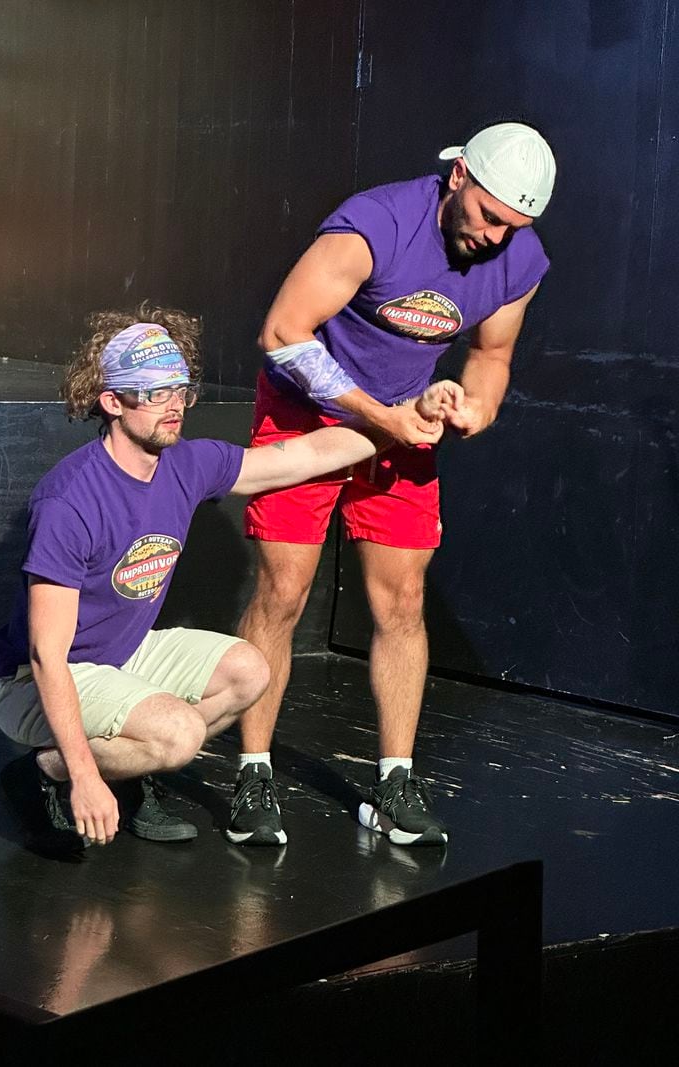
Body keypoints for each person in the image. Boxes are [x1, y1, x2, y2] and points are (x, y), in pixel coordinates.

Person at [0, 302, 461, 856]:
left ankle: (118, 767)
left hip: (121, 652)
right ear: (112, 401)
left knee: (247, 671)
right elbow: (46, 655)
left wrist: (401, 420)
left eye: (180, 391)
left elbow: (302, 455)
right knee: (179, 734)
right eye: (154, 393)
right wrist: (85, 778)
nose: (173, 407)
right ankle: (46, 773)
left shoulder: (187, 464)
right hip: (32, 680)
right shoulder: (71, 500)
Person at [230, 122, 556, 847]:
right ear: (460, 177)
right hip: (305, 414)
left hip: (402, 427)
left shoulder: (518, 258)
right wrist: (382, 415)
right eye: (491, 216)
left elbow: (492, 354)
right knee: (283, 592)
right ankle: (253, 770)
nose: (499, 238)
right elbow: (283, 332)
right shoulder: (375, 224)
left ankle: (394, 780)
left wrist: (472, 407)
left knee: (403, 599)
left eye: (517, 226)